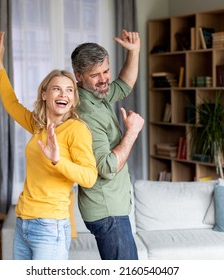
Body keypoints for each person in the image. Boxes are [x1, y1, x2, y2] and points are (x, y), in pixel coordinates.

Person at [0, 31, 97, 260]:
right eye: (57, 88)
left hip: (51, 226)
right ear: (44, 94)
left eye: (70, 90)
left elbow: (89, 177)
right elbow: (11, 102)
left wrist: (58, 159)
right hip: (23, 222)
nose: (64, 94)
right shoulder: (38, 125)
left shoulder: (76, 130)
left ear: (74, 98)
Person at [70, 29, 143, 260]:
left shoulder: (96, 94)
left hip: (112, 208)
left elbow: (123, 86)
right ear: (79, 76)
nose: (104, 79)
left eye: (106, 71)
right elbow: (107, 166)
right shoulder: (87, 112)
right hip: (108, 211)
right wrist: (131, 132)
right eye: (95, 75)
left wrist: (134, 52)